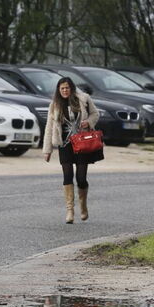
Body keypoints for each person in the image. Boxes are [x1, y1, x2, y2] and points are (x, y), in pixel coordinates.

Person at [42, 77, 101, 223]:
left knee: (81, 178)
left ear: (72, 88)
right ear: (58, 90)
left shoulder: (84, 99)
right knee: (67, 176)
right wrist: (47, 149)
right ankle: (70, 211)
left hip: (82, 143)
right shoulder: (55, 105)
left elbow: (96, 114)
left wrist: (89, 122)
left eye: (67, 88)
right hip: (65, 145)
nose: (64, 91)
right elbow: (49, 127)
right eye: (62, 88)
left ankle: (83, 205)